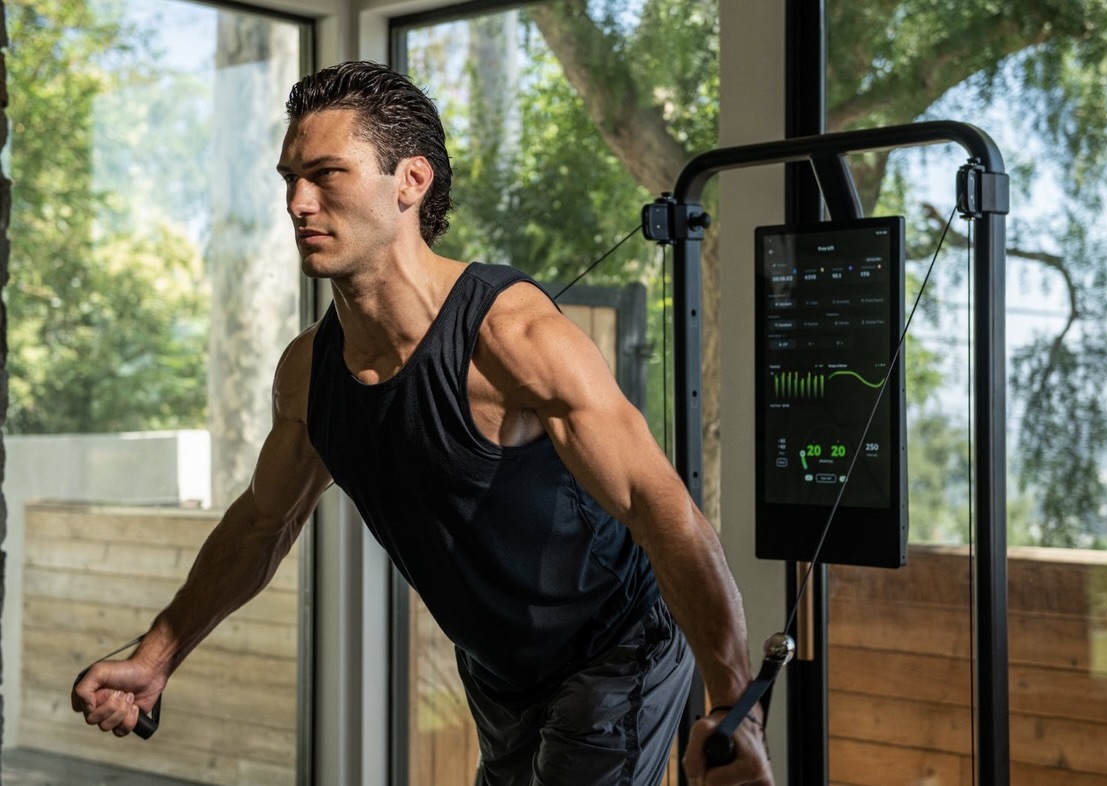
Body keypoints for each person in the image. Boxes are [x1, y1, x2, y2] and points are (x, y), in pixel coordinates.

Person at [71, 60, 772, 786]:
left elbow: (661, 511)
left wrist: (734, 706)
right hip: (499, 675)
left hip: (616, 647)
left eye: (326, 174)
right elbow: (261, 525)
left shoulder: (511, 338)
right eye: (289, 179)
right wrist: (155, 657)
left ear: (410, 181)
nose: (298, 202)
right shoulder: (311, 373)